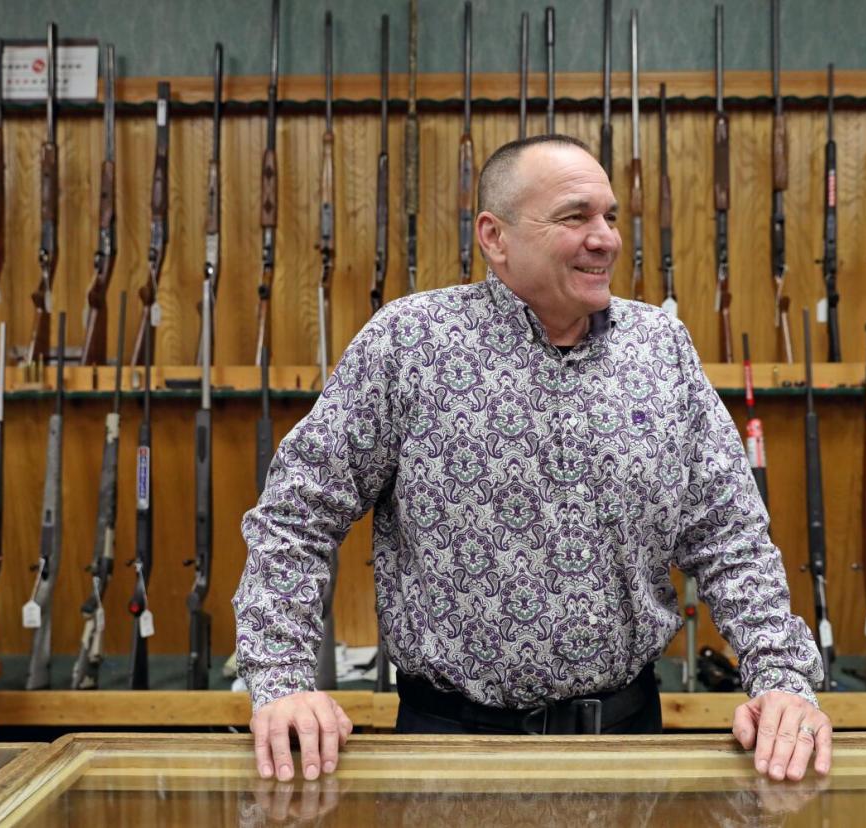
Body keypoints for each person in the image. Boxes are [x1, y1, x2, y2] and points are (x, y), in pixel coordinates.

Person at [234, 134, 830, 785]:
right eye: (576, 217)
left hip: (626, 760)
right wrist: (283, 680)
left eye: (610, 216)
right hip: (446, 762)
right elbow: (296, 514)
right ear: (495, 236)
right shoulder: (409, 345)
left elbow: (730, 534)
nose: (604, 238)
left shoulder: (662, 350)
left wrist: (781, 679)